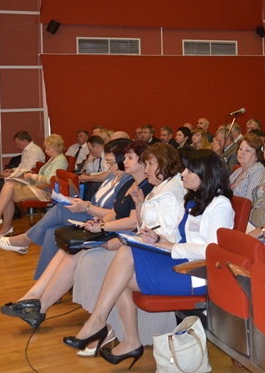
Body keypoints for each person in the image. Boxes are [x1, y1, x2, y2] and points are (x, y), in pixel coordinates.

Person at [64, 150, 235, 367]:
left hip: (200, 273)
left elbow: (212, 250)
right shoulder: (193, 201)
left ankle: (100, 324)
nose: (183, 174)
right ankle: (127, 339)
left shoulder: (220, 205)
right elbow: (181, 237)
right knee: (121, 271)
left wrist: (173, 246)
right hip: (182, 262)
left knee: (122, 267)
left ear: (206, 174)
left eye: (189, 171)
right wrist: (158, 238)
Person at [0, 140, 152, 334]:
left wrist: (101, 224)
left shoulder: (139, 186)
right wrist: (97, 223)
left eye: (129, 158)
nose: (123, 163)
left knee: (72, 251)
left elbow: (132, 222)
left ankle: (39, 305)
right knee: (61, 244)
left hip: (121, 239)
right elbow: (113, 212)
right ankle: (32, 299)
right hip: (110, 230)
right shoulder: (129, 184)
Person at [0, 139, 134, 271]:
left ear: (122, 161)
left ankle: (25, 239)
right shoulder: (113, 175)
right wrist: (81, 203)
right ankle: (47, 289)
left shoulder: (127, 181)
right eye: (108, 162)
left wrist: (86, 207)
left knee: (61, 209)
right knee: (51, 232)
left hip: (101, 222)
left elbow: (115, 214)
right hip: (92, 212)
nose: (109, 166)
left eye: (111, 162)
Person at [0, 134, 68, 237]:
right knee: (8, 185)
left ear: (56, 147)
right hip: (39, 187)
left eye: (48, 149)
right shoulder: (53, 159)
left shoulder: (60, 161)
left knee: (8, 189)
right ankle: (1, 222)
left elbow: (51, 180)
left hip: (46, 192)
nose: (45, 151)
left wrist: (32, 176)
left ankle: (2, 222)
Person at [0, 130, 46, 198]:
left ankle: (12, 206)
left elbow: (28, 170)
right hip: (23, 177)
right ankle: (10, 206)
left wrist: (11, 175)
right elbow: (21, 167)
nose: (17, 146)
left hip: (30, 180)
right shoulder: (26, 150)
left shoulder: (34, 151)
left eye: (18, 144)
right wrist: (12, 170)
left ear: (25, 141)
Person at [229, 134, 265, 199]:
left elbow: (250, 201)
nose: (242, 153)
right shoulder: (238, 170)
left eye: (247, 150)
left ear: (257, 155)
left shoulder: (258, 170)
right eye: (240, 149)